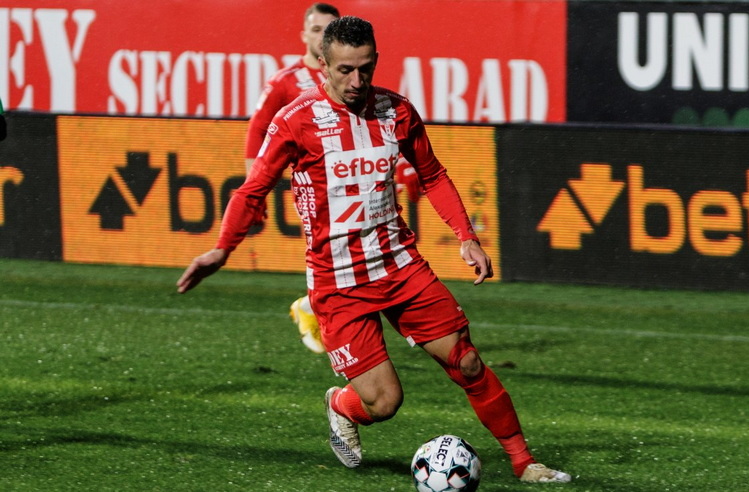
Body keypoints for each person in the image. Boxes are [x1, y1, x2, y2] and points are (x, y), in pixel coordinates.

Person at [178, 16, 570, 484]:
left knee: (466, 361)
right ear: (323, 64)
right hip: (338, 282)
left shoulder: (396, 111)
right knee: (384, 403)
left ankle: (525, 463)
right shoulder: (295, 121)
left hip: (400, 265)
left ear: (376, 61)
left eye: (365, 68)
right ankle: (340, 404)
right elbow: (252, 190)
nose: (357, 81)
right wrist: (222, 250)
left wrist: (466, 236)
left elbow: (432, 174)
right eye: (345, 70)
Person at [243, 3, 420, 355]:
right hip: (321, 187)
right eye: (315, 29)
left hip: (360, 178)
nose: (321, 35)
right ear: (304, 36)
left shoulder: (352, 75)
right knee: (333, 255)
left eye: (328, 29)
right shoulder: (285, 82)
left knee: (369, 248)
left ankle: (323, 313)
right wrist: (255, 193)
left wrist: (403, 166)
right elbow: (257, 132)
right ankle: (333, 319)